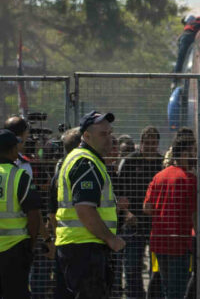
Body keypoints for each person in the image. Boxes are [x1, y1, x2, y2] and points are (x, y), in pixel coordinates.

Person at [55, 111, 126, 298]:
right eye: (103, 134)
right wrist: (110, 238)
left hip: (80, 246)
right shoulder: (86, 162)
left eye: (110, 133)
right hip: (84, 247)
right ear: (86, 136)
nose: (109, 138)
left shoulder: (86, 159)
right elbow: (85, 209)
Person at [143, 128, 198, 299]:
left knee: (167, 287)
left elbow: (147, 207)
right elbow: (195, 216)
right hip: (179, 243)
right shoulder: (190, 179)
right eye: (193, 151)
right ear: (185, 153)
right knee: (177, 290)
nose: (196, 155)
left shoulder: (159, 176)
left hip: (159, 241)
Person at [116, 126, 163, 299]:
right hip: (133, 222)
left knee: (156, 267)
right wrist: (126, 213)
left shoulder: (162, 163)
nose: (150, 146)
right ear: (141, 143)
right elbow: (118, 192)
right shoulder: (129, 162)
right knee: (132, 267)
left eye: (153, 143)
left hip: (156, 224)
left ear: (158, 144)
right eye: (147, 142)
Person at [0, 129, 42, 298]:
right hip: (14, 249)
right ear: (12, 150)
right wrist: (30, 245)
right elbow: (33, 215)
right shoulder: (19, 176)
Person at [48, 127, 82, 299]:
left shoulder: (58, 176)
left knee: (64, 290)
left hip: (64, 242)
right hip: (83, 244)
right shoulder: (84, 173)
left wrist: (56, 238)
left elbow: (52, 214)